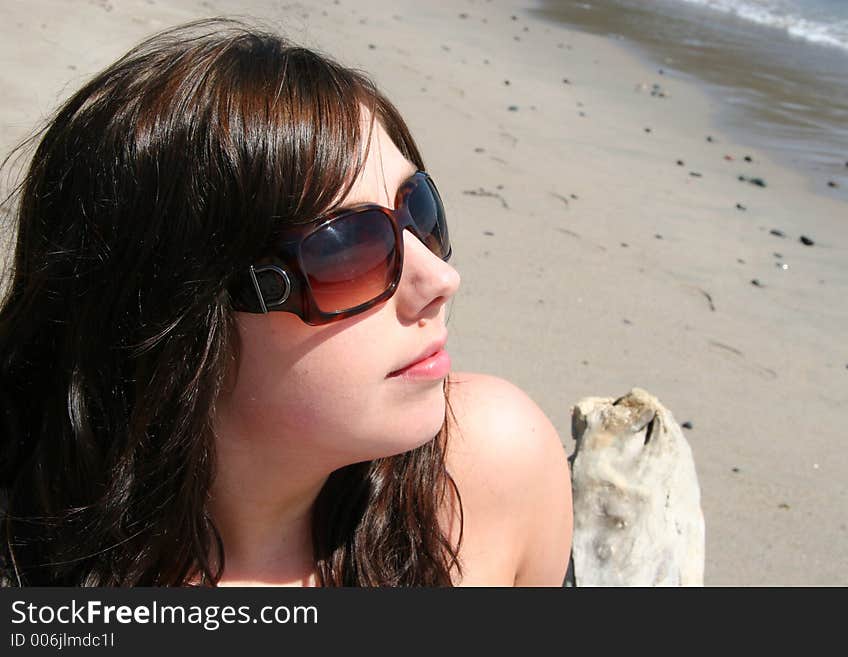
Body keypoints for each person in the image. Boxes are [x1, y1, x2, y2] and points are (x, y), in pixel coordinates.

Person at [0, 19, 572, 587]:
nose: (441, 278)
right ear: (182, 324)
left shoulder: (491, 470)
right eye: (348, 249)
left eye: (418, 210)